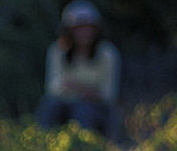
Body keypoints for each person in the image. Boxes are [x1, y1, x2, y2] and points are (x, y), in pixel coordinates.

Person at [36, 0, 121, 138]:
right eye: (79, 28)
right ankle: (43, 146)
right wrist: (86, 90)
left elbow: (109, 94)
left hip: (97, 111)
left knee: (83, 109)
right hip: (64, 107)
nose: (84, 33)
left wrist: (77, 88)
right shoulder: (58, 51)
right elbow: (53, 88)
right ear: (69, 30)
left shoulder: (107, 53)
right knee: (50, 106)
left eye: (88, 27)